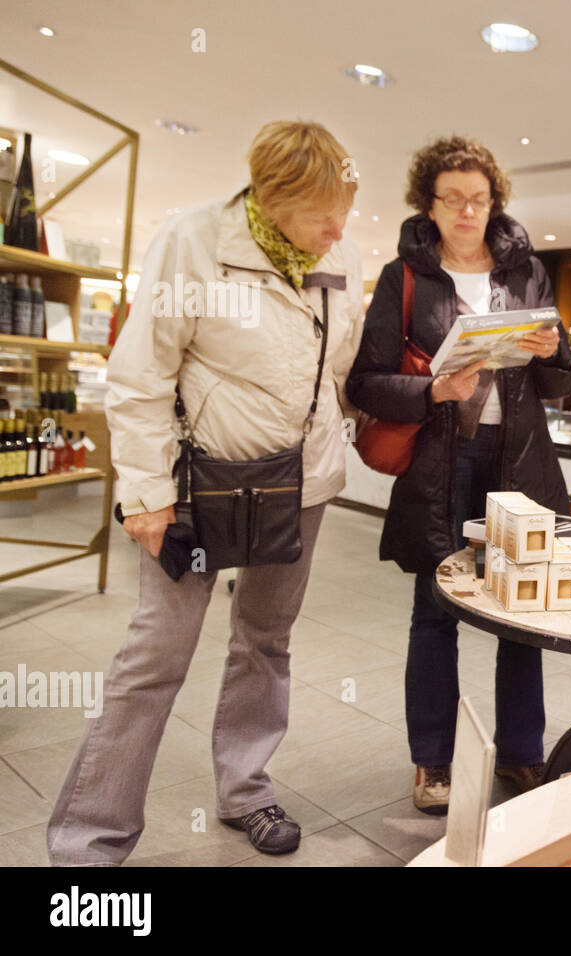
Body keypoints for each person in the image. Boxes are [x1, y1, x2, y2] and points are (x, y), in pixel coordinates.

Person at [46, 121, 365, 864]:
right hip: (195, 489)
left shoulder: (338, 253)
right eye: (323, 212)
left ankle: (245, 790)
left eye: (345, 208)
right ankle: (89, 842)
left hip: (300, 485)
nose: (339, 228)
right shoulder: (193, 241)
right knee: (156, 655)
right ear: (273, 197)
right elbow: (141, 377)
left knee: (266, 641)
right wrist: (147, 493)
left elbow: (339, 373)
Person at [347, 136, 571, 816]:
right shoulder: (405, 277)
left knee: (521, 615)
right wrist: (434, 393)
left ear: (494, 203)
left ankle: (522, 755)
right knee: (433, 613)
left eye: (478, 200)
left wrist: (554, 348)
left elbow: (561, 383)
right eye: (452, 200)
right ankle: (433, 763)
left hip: (518, 462)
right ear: (430, 204)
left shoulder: (527, 271)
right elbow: (367, 381)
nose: (467, 212)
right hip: (443, 460)